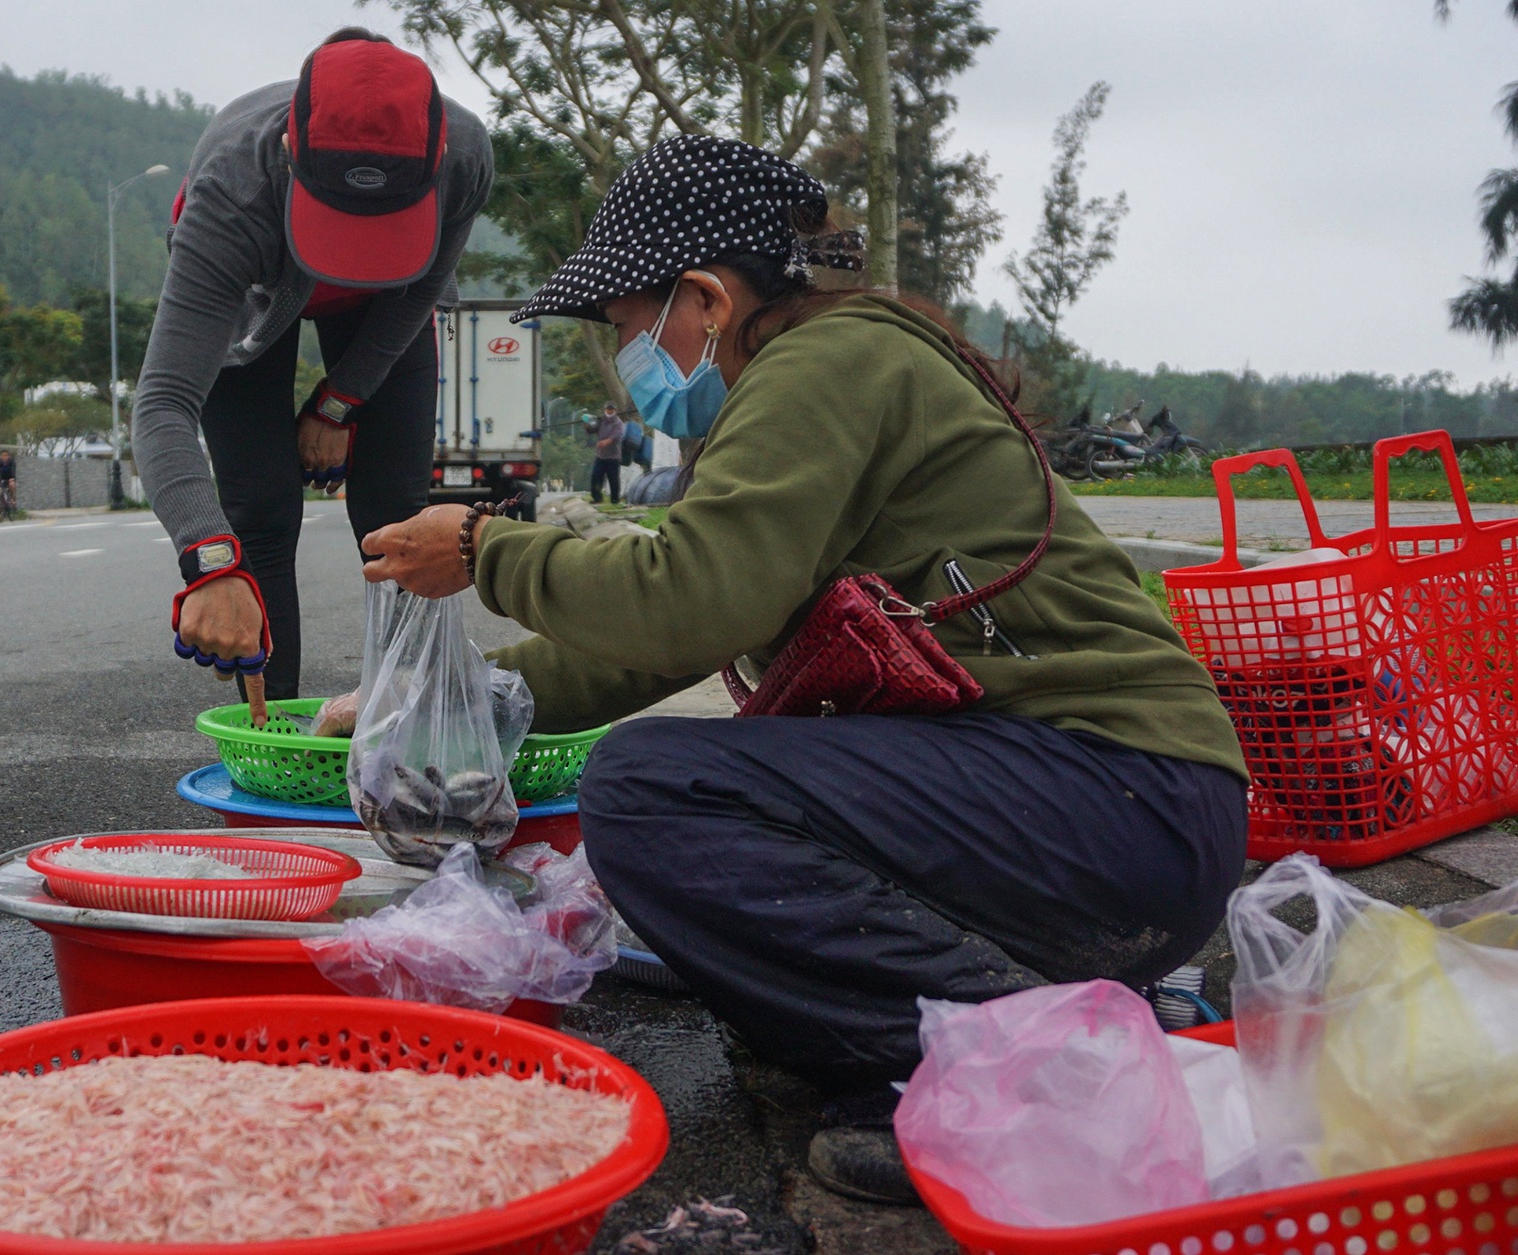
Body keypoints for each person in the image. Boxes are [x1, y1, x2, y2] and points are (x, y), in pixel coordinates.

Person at [361, 135, 1248, 1206]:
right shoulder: (811, 374)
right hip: (1100, 811)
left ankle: (999, 1061)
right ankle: (1036, 1006)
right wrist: (450, 704)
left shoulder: (827, 366)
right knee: (682, 789)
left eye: (625, 325)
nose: (623, 352)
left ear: (703, 299)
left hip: (1119, 797)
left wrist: (485, 551)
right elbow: (674, 626)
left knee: (649, 790)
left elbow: (691, 594)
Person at [133, 28, 493, 705]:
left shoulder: (464, 156)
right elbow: (163, 402)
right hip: (254, 296)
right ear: (291, 154)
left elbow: (419, 290)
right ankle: (275, 744)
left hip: (389, 304)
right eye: (343, 223)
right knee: (260, 514)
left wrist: (340, 400)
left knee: (396, 515)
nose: (353, 250)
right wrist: (209, 558)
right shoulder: (232, 188)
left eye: (377, 224)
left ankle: (408, 728)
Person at [588, 404, 623, 503]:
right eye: (608, 409)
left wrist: (605, 442)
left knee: (613, 480)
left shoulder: (618, 423)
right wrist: (587, 425)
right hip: (600, 456)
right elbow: (592, 429)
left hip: (613, 456)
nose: (609, 411)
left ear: (614, 410)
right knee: (596, 477)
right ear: (605, 410)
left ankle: (615, 500)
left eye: (611, 409)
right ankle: (597, 498)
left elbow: (616, 437)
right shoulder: (600, 420)